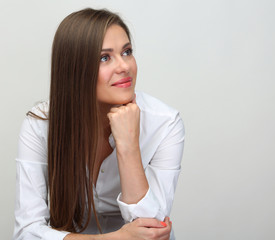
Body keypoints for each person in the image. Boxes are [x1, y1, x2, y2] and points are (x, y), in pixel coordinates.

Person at [13, 8, 184, 240]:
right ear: (75, 69)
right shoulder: (41, 124)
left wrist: (128, 147)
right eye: (105, 57)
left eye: (127, 52)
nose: (124, 66)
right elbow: (26, 232)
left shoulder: (164, 123)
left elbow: (151, 231)